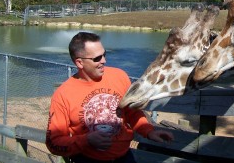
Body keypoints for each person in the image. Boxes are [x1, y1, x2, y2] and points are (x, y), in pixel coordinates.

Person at [45, 32, 174, 163]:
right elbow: (53, 142)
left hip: (125, 158)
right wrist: (87, 140)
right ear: (79, 62)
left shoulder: (120, 76)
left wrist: (149, 131)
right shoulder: (63, 94)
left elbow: (131, 113)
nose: (104, 61)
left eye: (104, 54)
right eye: (97, 58)